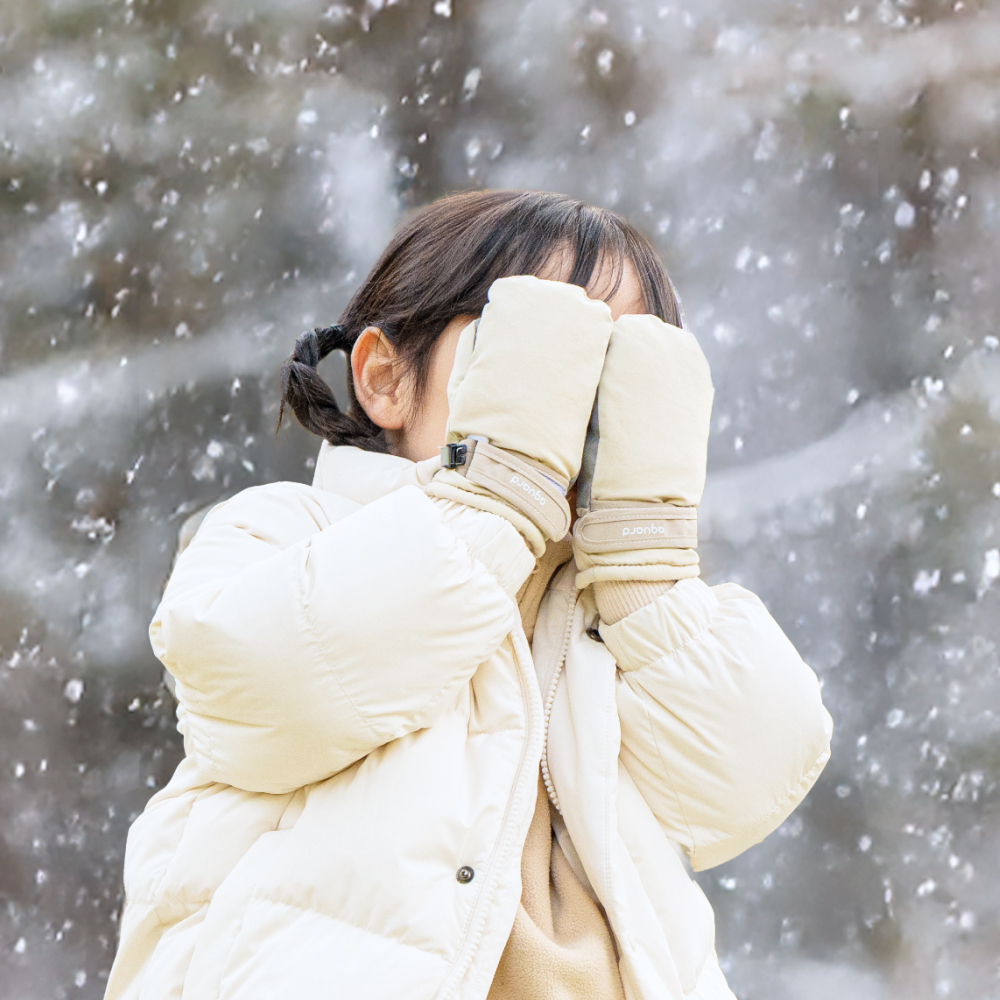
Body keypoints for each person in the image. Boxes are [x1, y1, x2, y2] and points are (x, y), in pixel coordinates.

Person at [105, 189, 832, 1000]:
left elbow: (745, 783)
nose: (570, 408)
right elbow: (268, 679)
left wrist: (647, 574)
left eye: (612, 372)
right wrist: (496, 491)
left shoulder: (623, 623)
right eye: (526, 353)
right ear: (385, 379)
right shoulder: (288, 531)